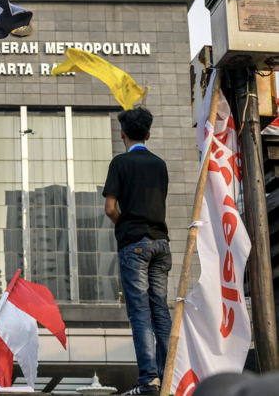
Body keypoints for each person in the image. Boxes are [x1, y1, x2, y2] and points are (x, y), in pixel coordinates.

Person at [103, 107, 171, 396]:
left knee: (140, 314)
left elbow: (110, 208)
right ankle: (169, 376)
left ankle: (149, 381)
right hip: (162, 244)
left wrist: (126, 225)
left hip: (135, 245)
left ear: (122, 134)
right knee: (161, 312)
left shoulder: (120, 163)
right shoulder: (160, 164)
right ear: (149, 134)